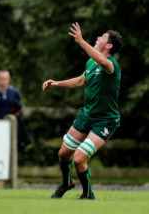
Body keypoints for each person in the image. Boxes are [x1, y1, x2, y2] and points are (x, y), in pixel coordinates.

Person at [43, 23, 123, 200]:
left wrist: (81, 41)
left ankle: (88, 194)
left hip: (105, 120)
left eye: (102, 37)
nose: (97, 39)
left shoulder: (111, 65)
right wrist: (58, 83)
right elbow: (81, 81)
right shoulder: (90, 62)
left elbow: (103, 61)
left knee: (79, 159)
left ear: (109, 46)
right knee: (63, 154)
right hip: (87, 115)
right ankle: (67, 183)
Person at [0, 69, 31, 151]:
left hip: (12, 126)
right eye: (2, 79)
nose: (4, 81)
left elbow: (20, 107)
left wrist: (19, 112)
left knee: (12, 149)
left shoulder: (14, 93)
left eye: (6, 79)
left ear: (9, 79)